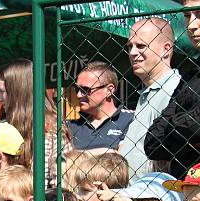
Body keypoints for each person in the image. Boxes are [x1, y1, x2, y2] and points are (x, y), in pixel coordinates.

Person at [118, 18, 180, 181]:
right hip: (136, 196)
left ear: (166, 49)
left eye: (141, 46)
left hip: (155, 197)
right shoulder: (148, 91)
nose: (132, 52)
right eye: (130, 46)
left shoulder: (173, 90)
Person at [145, 0, 200, 181]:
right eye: (186, 16)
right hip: (183, 193)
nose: (191, 25)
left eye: (199, 14)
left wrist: (171, 125)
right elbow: (152, 143)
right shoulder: (190, 75)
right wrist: (189, 134)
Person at [0, 59, 68, 188]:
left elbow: (43, 182)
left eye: (2, 92)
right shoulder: (6, 123)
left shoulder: (48, 128)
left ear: (18, 92)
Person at [68, 62, 134, 150]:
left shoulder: (131, 119)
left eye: (85, 89)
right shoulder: (71, 125)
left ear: (109, 90)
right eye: (77, 89)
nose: (78, 95)